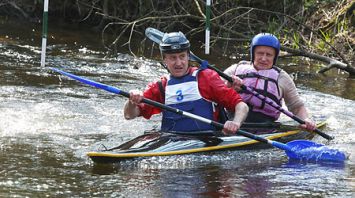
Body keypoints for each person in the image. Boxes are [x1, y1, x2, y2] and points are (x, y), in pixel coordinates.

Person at [124, 31, 249, 135]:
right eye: (173, 58)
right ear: (164, 59)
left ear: (188, 56)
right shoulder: (160, 86)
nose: (178, 63)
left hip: (208, 140)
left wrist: (236, 123)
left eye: (182, 56)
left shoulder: (206, 78)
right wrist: (131, 101)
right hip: (172, 142)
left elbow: (241, 105)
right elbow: (129, 115)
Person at [224, 33, 316, 131]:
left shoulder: (282, 77)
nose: (264, 58)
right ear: (253, 53)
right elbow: (215, 91)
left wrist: (305, 120)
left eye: (269, 55)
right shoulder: (235, 69)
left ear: (274, 57)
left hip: (263, 126)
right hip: (230, 120)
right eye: (260, 53)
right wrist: (228, 86)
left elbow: (297, 107)